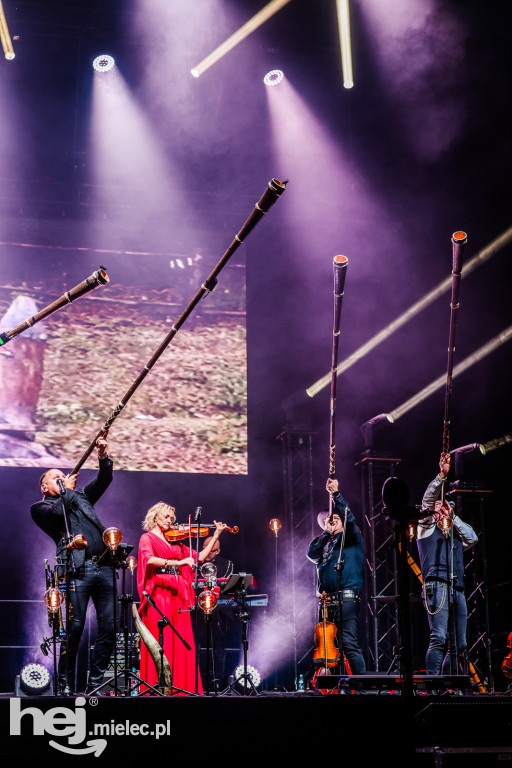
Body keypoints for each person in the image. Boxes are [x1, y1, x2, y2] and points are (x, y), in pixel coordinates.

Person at [30, 436, 114, 694]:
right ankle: (65, 682)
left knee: (109, 626)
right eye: (54, 478)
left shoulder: (78, 498)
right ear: (45, 487)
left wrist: (102, 456)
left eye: (61, 475)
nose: (61, 478)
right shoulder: (40, 507)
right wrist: (65, 490)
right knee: (75, 627)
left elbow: (103, 481)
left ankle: (95, 683)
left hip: (105, 566)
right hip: (77, 569)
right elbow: (56, 514)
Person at [137, 503, 226, 694]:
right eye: (166, 517)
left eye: (172, 518)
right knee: (161, 641)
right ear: (155, 517)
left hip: (178, 596)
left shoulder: (176, 542)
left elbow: (201, 556)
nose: (170, 521)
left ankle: (181, 688)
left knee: (180, 642)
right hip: (159, 594)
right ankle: (157, 687)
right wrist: (178, 562)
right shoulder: (147, 538)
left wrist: (216, 534)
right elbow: (149, 560)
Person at [417, 452, 478, 675]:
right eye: (440, 506)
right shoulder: (425, 527)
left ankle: (449, 683)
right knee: (439, 638)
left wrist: (453, 517)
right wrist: (441, 476)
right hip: (437, 585)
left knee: (459, 644)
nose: (442, 509)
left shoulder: (454, 534)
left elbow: (473, 538)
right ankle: (432, 686)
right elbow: (427, 500)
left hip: (457, 587)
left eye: (446, 507)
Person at [306, 478, 366, 675]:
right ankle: (335, 685)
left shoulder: (352, 538)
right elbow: (311, 554)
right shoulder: (325, 541)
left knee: (348, 643)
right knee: (328, 647)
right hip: (326, 600)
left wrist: (336, 495)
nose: (332, 522)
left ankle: (360, 688)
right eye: (329, 521)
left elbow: (348, 517)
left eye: (336, 519)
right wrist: (325, 534)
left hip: (347, 597)